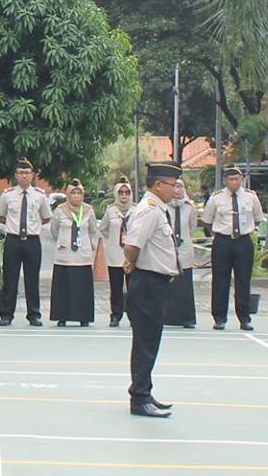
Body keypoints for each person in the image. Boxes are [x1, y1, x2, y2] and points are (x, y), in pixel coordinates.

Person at [123, 163, 185, 419]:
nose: (177, 190)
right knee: (145, 342)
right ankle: (139, 398)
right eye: (173, 185)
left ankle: (145, 392)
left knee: (150, 340)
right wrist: (132, 265)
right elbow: (132, 244)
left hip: (155, 283)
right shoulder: (149, 211)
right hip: (147, 282)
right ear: (158, 185)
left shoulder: (158, 209)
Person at [201, 165, 264, 331]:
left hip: (243, 241)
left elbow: (257, 218)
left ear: (241, 179)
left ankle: (244, 318)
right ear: (225, 181)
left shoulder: (251, 197)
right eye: (231, 179)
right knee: (220, 281)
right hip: (222, 241)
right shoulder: (216, 198)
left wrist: (246, 229)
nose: (234, 182)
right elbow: (207, 220)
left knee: (243, 281)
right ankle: (219, 317)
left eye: (237, 179)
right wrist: (218, 233)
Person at [0, 160, 51, 327]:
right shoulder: (8, 195)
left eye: (27, 173)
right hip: (13, 240)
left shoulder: (40, 196)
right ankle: (6, 314)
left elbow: (46, 216)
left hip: (32, 241)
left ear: (32, 175)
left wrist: (32, 227)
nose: (24, 176)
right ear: (16, 175)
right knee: (10, 278)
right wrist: (13, 225)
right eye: (21, 173)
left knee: (32, 279)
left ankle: (34, 314)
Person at [48, 182, 99, 326]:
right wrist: (63, 241)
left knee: (82, 286)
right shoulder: (60, 210)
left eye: (79, 193)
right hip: (65, 254)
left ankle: (83, 317)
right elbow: (54, 230)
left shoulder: (88, 210)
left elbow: (93, 230)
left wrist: (90, 244)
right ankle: (62, 316)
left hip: (82, 255)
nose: (76, 196)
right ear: (67, 195)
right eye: (73, 193)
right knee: (63, 286)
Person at [161, 176, 200, 330]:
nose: (177, 190)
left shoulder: (190, 207)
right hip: (166, 248)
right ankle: (166, 316)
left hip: (184, 249)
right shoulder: (163, 206)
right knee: (167, 284)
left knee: (184, 285)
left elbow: (192, 228)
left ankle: (187, 318)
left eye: (180, 187)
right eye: (175, 187)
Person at [100, 181, 136, 328]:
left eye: (126, 193)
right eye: (121, 193)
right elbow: (103, 228)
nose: (124, 196)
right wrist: (113, 240)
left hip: (132, 255)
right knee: (116, 288)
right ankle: (116, 315)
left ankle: (134, 316)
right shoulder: (111, 211)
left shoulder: (137, 210)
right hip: (115, 254)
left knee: (133, 287)